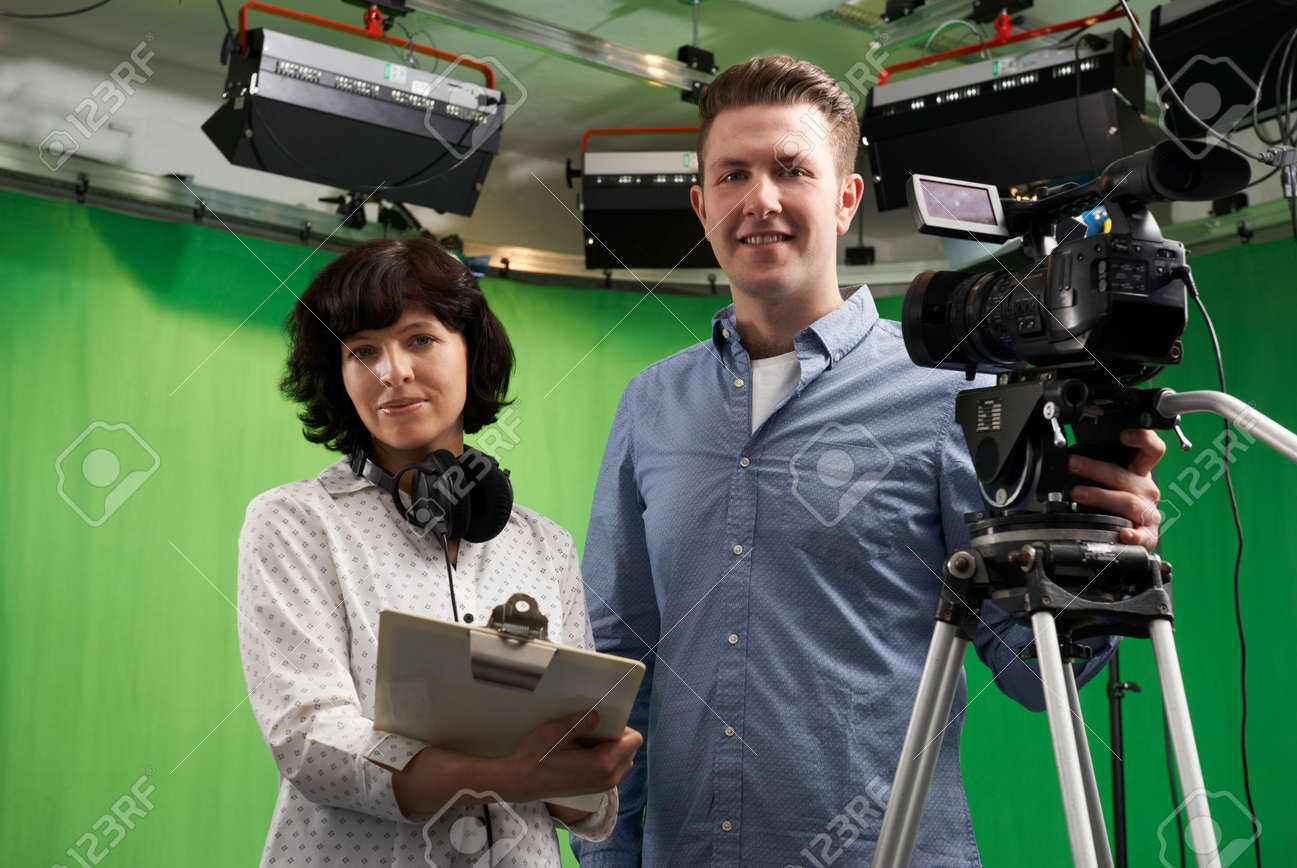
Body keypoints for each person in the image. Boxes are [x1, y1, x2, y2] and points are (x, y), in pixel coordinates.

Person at [571, 56, 1166, 867]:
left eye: (792, 170)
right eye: (733, 175)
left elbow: (1032, 674)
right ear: (701, 204)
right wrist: (609, 859)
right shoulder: (650, 405)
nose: (762, 200)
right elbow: (617, 658)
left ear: (847, 199)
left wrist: (1100, 556)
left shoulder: (954, 390)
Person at [236, 239, 642, 867]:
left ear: (470, 350)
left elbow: (578, 796)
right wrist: (513, 774)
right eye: (362, 351)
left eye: (419, 339)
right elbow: (309, 739)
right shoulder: (295, 523)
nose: (390, 371)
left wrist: (588, 769)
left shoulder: (544, 544)